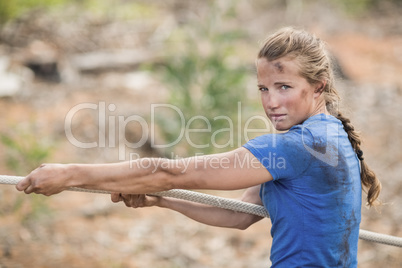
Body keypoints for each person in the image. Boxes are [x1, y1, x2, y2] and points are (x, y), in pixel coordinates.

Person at [16, 27, 381, 267]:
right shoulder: (325, 135)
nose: (271, 101)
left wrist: (68, 173)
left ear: (318, 86)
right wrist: (162, 199)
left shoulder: (303, 145)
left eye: (284, 86)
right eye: (263, 89)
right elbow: (240, 215)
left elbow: (172, 171)